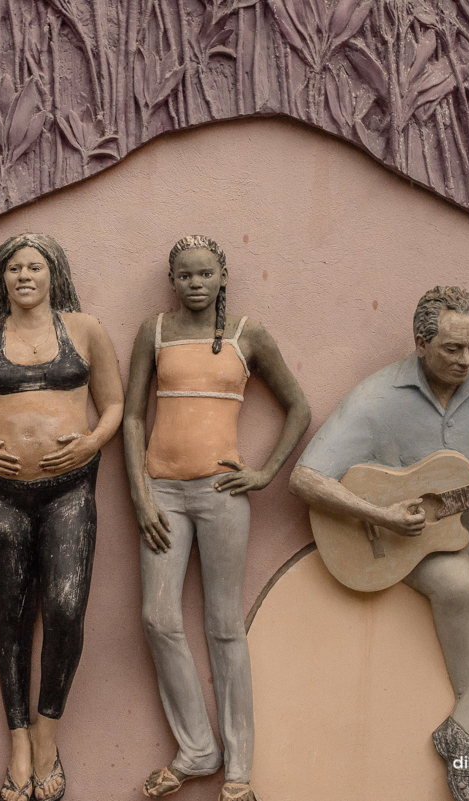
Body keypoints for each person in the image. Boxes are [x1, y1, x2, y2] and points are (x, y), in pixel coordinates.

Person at [289, 286, 469, 801]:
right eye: (452, 349)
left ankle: (465, 732)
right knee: (457, 583)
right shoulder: (375, 398)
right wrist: (380, 515)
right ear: (420, 343)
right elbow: (305, 478)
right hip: (398, 526)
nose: (466, 360)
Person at [122, 236, 310, 801]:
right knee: (158, 618)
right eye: (185, 274)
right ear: (172, 279)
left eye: (206, 273)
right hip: (162, 494)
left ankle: (237, 771)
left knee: (225, 626)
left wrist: (266, 472)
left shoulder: (247, 335)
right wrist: (139, 496)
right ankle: (197, 749)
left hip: (223, 493)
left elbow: (299, 407)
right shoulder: (152, 331)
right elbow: (132, 418)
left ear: (222, 276)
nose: (196, 282)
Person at [0, 233, 124, 801]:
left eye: (34, 266)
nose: (23, 275)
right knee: (12, 615)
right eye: (13, 268)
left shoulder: (86, 329)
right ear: (1, 279)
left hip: (68, 491)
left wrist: (91, 442)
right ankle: (19, 742)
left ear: (52, 274)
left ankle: (49, 732)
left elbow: (114, 404)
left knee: (66, 608)